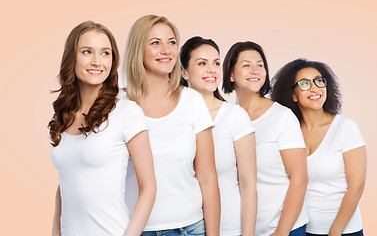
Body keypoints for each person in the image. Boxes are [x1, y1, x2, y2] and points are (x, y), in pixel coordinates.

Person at [48, 21, 156, 236]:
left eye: (105, 53)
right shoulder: (63, 115)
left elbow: (149, 189)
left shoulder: (127, 112)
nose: (97, 61)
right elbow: (66, 182)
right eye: (87, 52)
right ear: (72, 57)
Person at [124, 15, 220, 236]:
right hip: (135, 229)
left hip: (190, 229)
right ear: (139, 49)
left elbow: (207, 178)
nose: (166, 50)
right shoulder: (119, 105)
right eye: (155, 42)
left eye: (172, 42)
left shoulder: (192, 101)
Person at [271, 59, 367, 236]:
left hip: (343, 231)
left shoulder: (345, 128)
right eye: (305, 84)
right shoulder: (289, 133)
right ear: (293, 95)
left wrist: (335, 232)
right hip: (300, 229)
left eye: (319, 81)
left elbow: (357, 186)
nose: (315, 88)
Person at [222, 42, 309, 236]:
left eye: (260, 65)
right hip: (243, 229)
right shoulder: (226, 118)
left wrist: (281, 232)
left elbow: (300, 179)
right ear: (230, 74)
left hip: (284, 229)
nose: (255, 70)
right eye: (246, 65)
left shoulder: (282, 118)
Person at [180, 36, 257, 236]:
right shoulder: (174, 117)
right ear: (184, 72)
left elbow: (248, 185)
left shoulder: (235, 116)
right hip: (183, 227)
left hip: (229, 228)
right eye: (202, 63)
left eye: (216, 63)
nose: (212, 70)